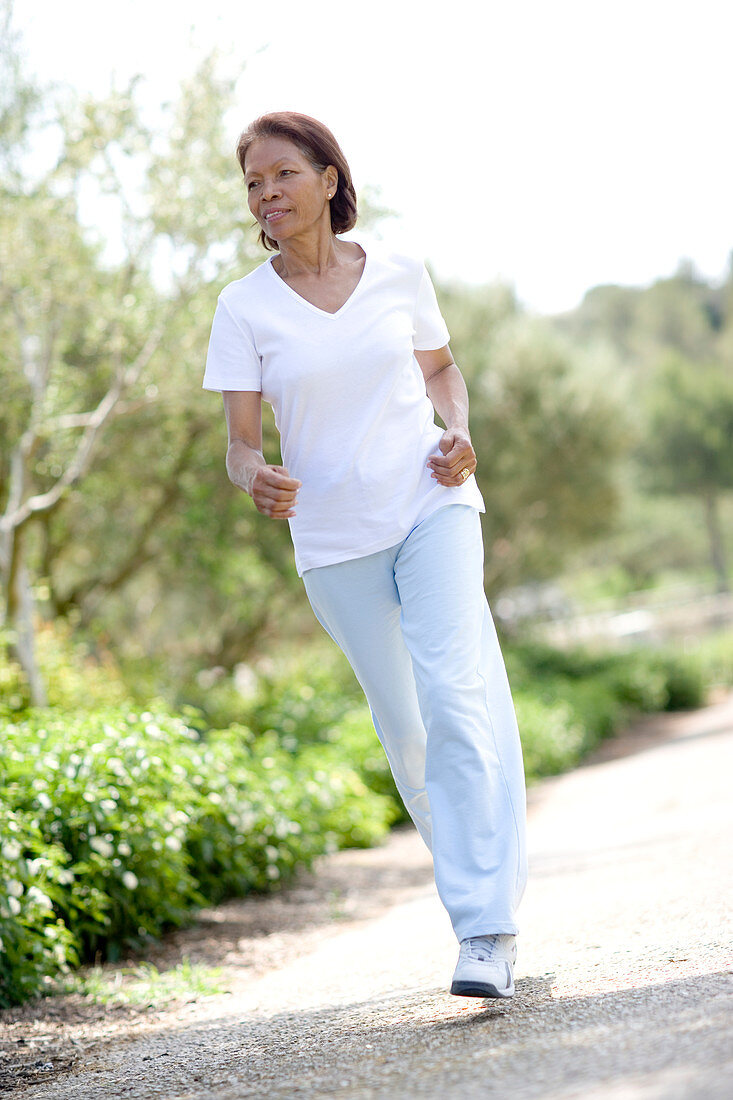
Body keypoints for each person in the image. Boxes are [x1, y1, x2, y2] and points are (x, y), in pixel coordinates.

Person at [203, 111, 527, 1000]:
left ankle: (483, 929)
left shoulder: (397, 273)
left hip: (431, 501)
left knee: (455, 697)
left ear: (329, 180)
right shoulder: (243, 306)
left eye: (281, 175)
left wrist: (458, 432)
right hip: (335, 540)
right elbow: (237, 443)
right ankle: (492, 887)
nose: (267, 194)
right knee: (409, 729)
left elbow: (440, 372)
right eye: (253, 184)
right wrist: (253, 476)